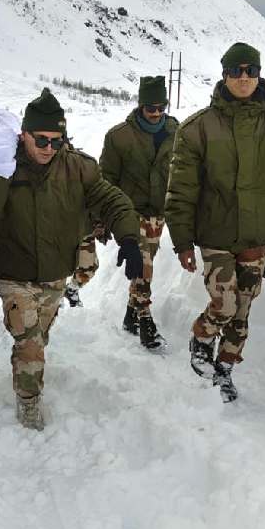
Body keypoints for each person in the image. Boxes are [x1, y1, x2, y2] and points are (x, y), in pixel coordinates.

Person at [0, 88, 143, 430]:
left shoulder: (78, 168)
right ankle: (28, 401)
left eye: (56, 141)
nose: (49, 148)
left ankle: (27, 362)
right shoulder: (2, 166)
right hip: (12, 272)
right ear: (24, 134)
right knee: (29, 342)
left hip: (55, 272)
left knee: (39, 336)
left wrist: (130, 239)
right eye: (41, 140)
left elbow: (112, 200)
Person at [165, 43, 265, 403]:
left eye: (250, 70)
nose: (243, 77)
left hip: (257, 231)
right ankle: (201, 339)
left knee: (244, 308)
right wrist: (182, 242)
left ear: (259, 73)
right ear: (224, 74)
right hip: (215, 232)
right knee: (224, 304)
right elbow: (180, 191)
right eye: (235, 71)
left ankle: (225, 367)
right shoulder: (198, 128)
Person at [99, 75, 178, 350]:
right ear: (140, 105)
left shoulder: (176, 132)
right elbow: (105, 181)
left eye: (161, 107)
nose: (156, 113)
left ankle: (130, 316)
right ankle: (146, 321)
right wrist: (102, 219)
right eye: (150, 108)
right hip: (129, 213)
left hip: (159, 214)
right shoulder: (119, 136)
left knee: (145, 265)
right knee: (143, 266)